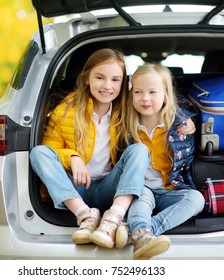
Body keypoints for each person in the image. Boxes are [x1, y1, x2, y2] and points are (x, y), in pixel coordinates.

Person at [29, 48, 150, 249]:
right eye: (100, 78)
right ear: (86, 79)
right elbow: (49, 150)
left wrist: (185, 122)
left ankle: (113, 218)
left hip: (107, 188)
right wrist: (73, 158)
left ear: (123, 83)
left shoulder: (126, 111)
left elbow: (158, 108)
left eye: (115, 80)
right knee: (38, 153)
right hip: (74, 189)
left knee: (139, 150)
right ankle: (85, 216)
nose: (107, 86)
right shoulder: (65, 110)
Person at [116, 63, 205, 260]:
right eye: (137, 91)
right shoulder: (126, 125)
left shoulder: (180, 125)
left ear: (166, 94)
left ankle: (143, 231)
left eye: (152, 92)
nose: (145, 98)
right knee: (140, 201)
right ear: (130, 95)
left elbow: (193, 110)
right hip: (141, 189)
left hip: (171, 189)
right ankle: (142, 233)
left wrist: (189, 121)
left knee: (196, 199)